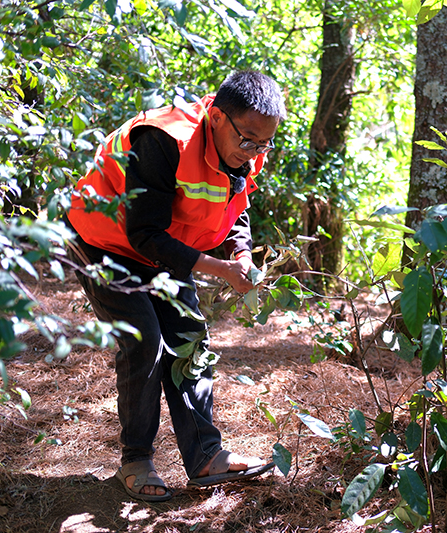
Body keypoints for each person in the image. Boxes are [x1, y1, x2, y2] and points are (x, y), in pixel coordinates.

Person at [65, 70, 286, 502]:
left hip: (165, 247)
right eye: (250, 142)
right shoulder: (164, 140)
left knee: (187, 338)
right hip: (104, 241)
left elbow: (234, 209)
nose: (257, 152)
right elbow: (143, 232)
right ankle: (136, 459)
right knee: (144, 339)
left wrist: (240, 254)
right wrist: (219, 270)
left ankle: (205, 457)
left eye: (265, 144)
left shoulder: (244, 145)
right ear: (218, 117)